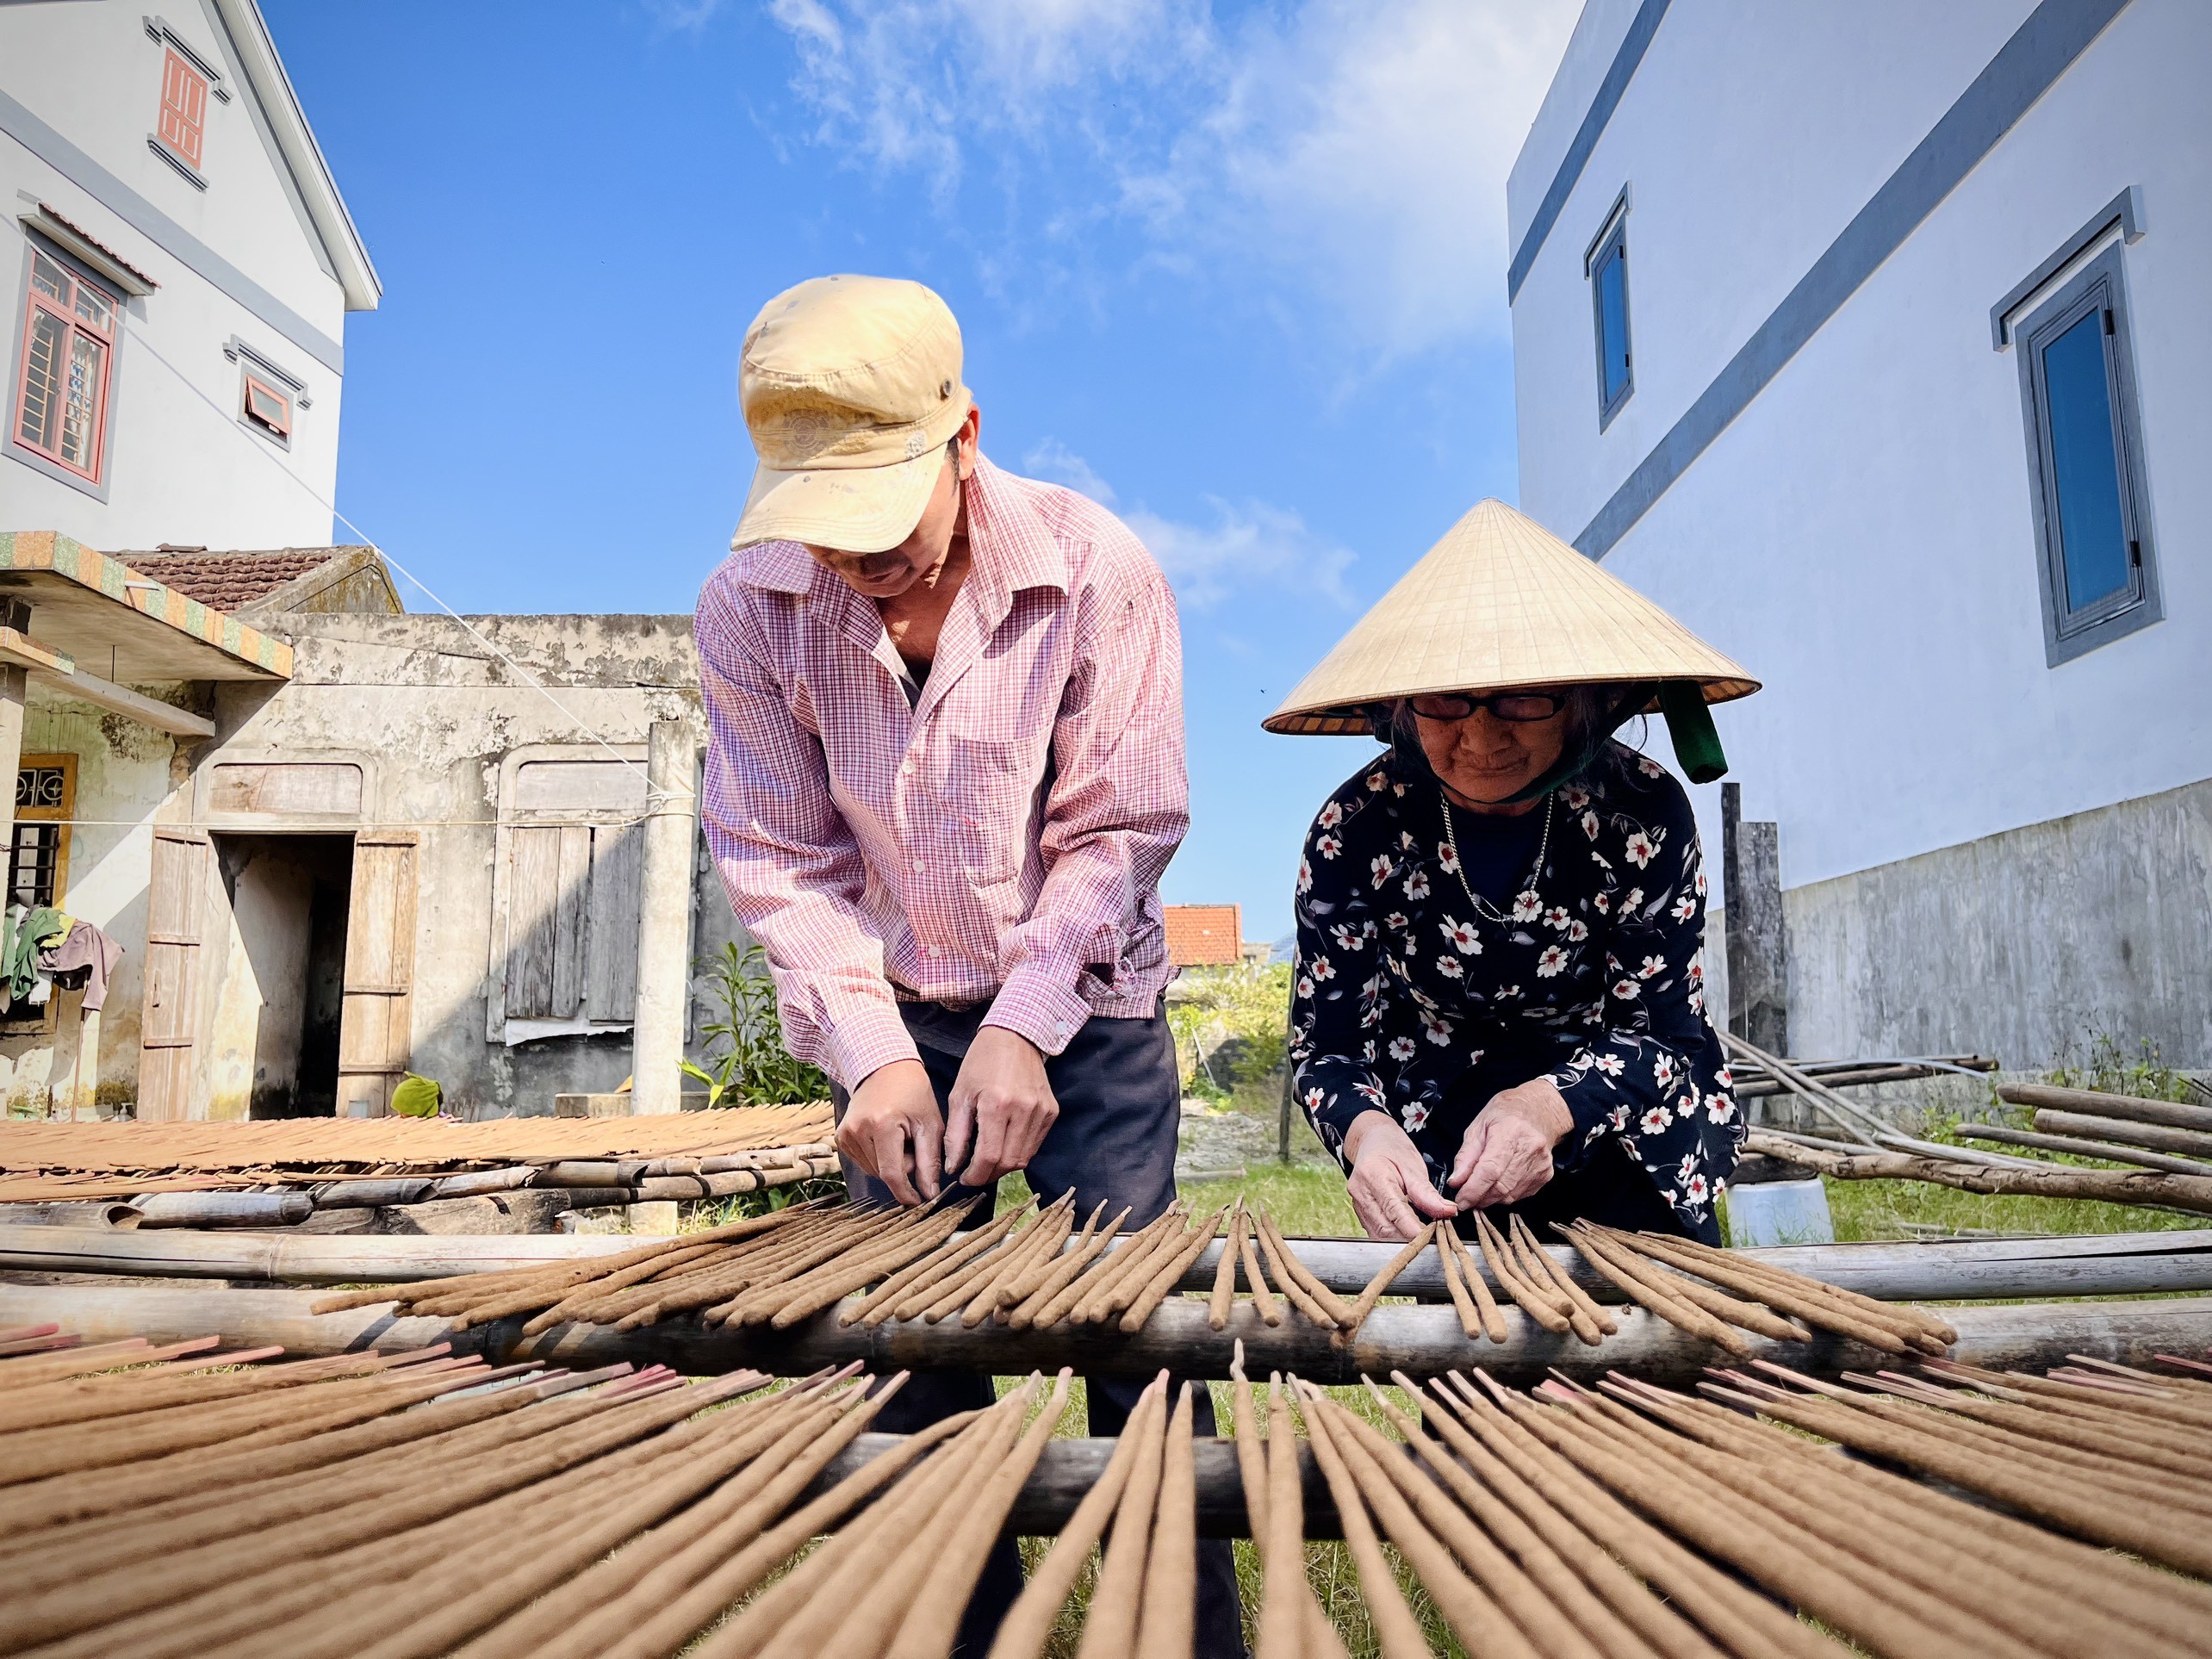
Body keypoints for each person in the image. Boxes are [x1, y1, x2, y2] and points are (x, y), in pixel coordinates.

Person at [694, 273, 1242, 1655]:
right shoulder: (750, 609)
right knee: (907, 1346)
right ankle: (968, 1633)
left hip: (1090, 1016)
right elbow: (774, 853)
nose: (856, 556)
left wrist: (1026, 1024)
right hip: (890, 1019)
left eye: (880, 507)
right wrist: (872, 1051)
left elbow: (1119, 826)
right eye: (823, 520)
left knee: (1136, 1339)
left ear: (966, 436)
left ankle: (1188, 1637)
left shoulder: (1096, 566)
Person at [1262, 497, 1762, 1245]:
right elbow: (1327, 1046)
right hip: (1444, 1137)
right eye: (1444, 699)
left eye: (1524, 698)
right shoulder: (1357, 829)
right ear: (1399, 709)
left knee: (1657, 1349)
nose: (1482, 734)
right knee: (1486, 1349)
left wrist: (1547, 1107)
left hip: (1618, 1114)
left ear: (1585, 704)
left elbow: (1661, 1034)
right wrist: (1368, 1136)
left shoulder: (1642, 813)